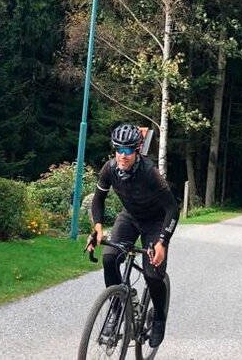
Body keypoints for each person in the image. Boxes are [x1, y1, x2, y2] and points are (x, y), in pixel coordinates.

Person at [88, 122, 178, 348]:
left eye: (128, 150)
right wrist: (98, 227)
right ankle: (116, 310)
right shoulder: (109, 169)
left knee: (152, 274)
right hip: (130, 216)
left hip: (155, 221)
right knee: (110, 258)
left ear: (136, 151)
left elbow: (172, 209)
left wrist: (162, 242)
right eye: (118, 149)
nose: (122, 155)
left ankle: (158, 318)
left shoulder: (149, 173)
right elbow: (98, 200)